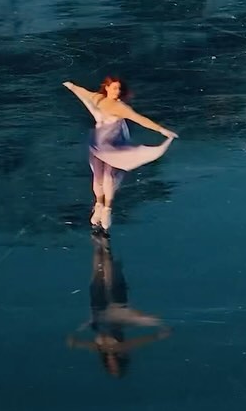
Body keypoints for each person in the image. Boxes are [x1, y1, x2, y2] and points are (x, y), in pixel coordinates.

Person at [63, 76, 177, 231]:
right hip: (97, 142)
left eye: (119, 89)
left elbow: (140, 119)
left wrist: (161, 130)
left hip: (113, 144)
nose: (117, 91)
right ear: (107, 88)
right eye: (114, 88)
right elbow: (84, 94)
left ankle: (107, 209)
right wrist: (72, 86)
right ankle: (99, 204)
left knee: (108, 176)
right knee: (97, 176)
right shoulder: (98, 98)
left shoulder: (120, 108)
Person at [66, 235, 171, 377]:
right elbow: (138, 342)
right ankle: (106, 246)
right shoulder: (119, 347)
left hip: (98, 312)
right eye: (116, 368)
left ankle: (98, 245)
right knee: (109, 281)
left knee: (97, 276)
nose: (112, 365)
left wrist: (77, 343)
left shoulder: (101, 349)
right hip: (114, 310)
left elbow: (88, 345)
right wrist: (158, 335)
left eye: (112, 369)